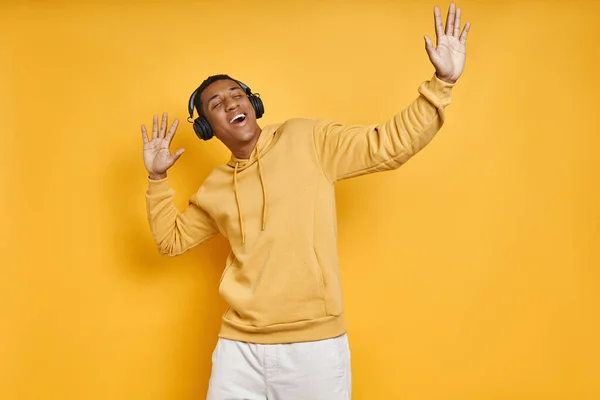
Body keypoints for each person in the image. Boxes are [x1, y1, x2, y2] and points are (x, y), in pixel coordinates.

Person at [140, 3, 470, 399]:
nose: (231, 104)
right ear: (208, 128)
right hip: (239, 348)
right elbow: (170, 241)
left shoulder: (307, 139)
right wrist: (156, 178)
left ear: (253, 103)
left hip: (314, 347)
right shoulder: (215, 187)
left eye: (237, 94)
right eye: (216, 104)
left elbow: (389, 146)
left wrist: (441, 84)